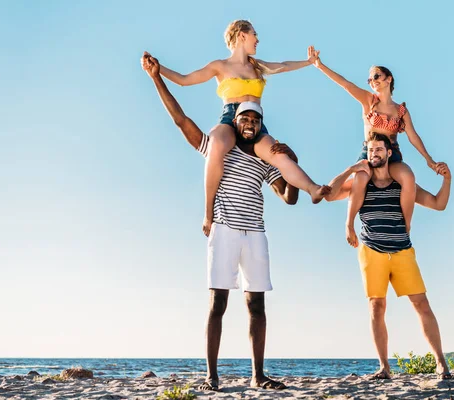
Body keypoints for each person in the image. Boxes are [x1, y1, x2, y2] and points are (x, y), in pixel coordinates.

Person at [141, 53, 336, 391]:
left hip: (255, 235)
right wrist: (157, 78)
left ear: (261, 125)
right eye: (245, 118)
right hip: (225, 230)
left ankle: (258, 376)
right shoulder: (217, 149)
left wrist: (292, 160)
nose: (250, 123)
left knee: (256, 306)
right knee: (218, 303)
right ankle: (211, 376)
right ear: (236, 121)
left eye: (255, 121)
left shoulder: (265, 161)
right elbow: (180, 120)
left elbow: (289, 198)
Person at [147, 20, 329, 237]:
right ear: (241, 35)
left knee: (279, 155)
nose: (257, 39)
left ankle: (313, 189)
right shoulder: (220, 66)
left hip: (256, 122)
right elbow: (184, 80)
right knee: (215, 146)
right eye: (254, 34)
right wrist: (158, 69)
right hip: (231, 118)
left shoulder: (257, 65)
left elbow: (283, 65)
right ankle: (208, 213)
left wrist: (309, 62)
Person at [340, 132, 453, 380]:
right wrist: (349, 172)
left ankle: (441, 363)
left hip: (402, 251)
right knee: (376, 307)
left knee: (421, 304)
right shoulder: (361, 184)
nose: (375, 154)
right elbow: (329, 194)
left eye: (379, 149)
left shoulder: (404, 184)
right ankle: (384, 367)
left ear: (389, 153)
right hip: (372, 252)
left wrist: (447, 180)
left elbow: (438, 203)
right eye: (371, 151)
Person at [313, 52, 443, 233]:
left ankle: (406, 226)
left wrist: (429, 160)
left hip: (392, 154)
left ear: (389, 79)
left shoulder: (401, 111)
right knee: (360, 178)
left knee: (408, 177)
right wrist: (320, 65)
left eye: (376, 76)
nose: (372, 81)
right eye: (369, 79)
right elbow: (345, 84)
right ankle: (349, 224)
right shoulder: (369, 101)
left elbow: (413, 136)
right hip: (369, 152)